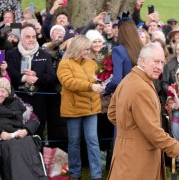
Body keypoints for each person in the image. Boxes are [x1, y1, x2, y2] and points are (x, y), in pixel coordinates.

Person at [107, 42, 179, 179]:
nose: (159, 67)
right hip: (139, 157)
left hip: (125, 152)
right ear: (142, 61)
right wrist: (177, 149)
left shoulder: (128, 79)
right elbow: (152, 131)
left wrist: (130, 129)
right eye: (156, 61)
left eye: (162, 62)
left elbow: (112, 114)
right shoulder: (141, 88)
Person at [0, 77, 46, 180]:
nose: (0, 94)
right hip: (0, 140)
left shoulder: (17, 103)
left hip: (20, 136)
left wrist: (26, 131)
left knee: (29, 142)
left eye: (3, 91)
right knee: (13, 146)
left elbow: (34, 119)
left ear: (8, 93)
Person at [57, 35, 103, 180]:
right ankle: (75, 174)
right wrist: (91, 86)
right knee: (74, 141)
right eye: (85, 49)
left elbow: (98, 78)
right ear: (77, 48)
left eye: (88, 49)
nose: (88, 52)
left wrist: (102, 83)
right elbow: (69, 82)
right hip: (73, 109)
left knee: (93, 141)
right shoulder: (64, 64)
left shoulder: (92, 63)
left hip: (91, 107)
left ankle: (97, 175)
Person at [6, 25, 57, 138]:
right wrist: (24, 78)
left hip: (39, 106)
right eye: (28, 37)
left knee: (38, 139)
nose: (32, 39)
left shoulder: (45, 56)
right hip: (17, 105)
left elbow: (52, 78)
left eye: (34, 37)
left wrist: (37, 77)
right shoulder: (11, 54)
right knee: (18, 141)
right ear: (21, 38)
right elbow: (9, 72)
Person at [104, 19, 143, 94]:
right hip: (142, 92)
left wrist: (106, 89)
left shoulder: (118, 50)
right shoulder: (142, 48)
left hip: (126, 93)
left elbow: (116, 81)